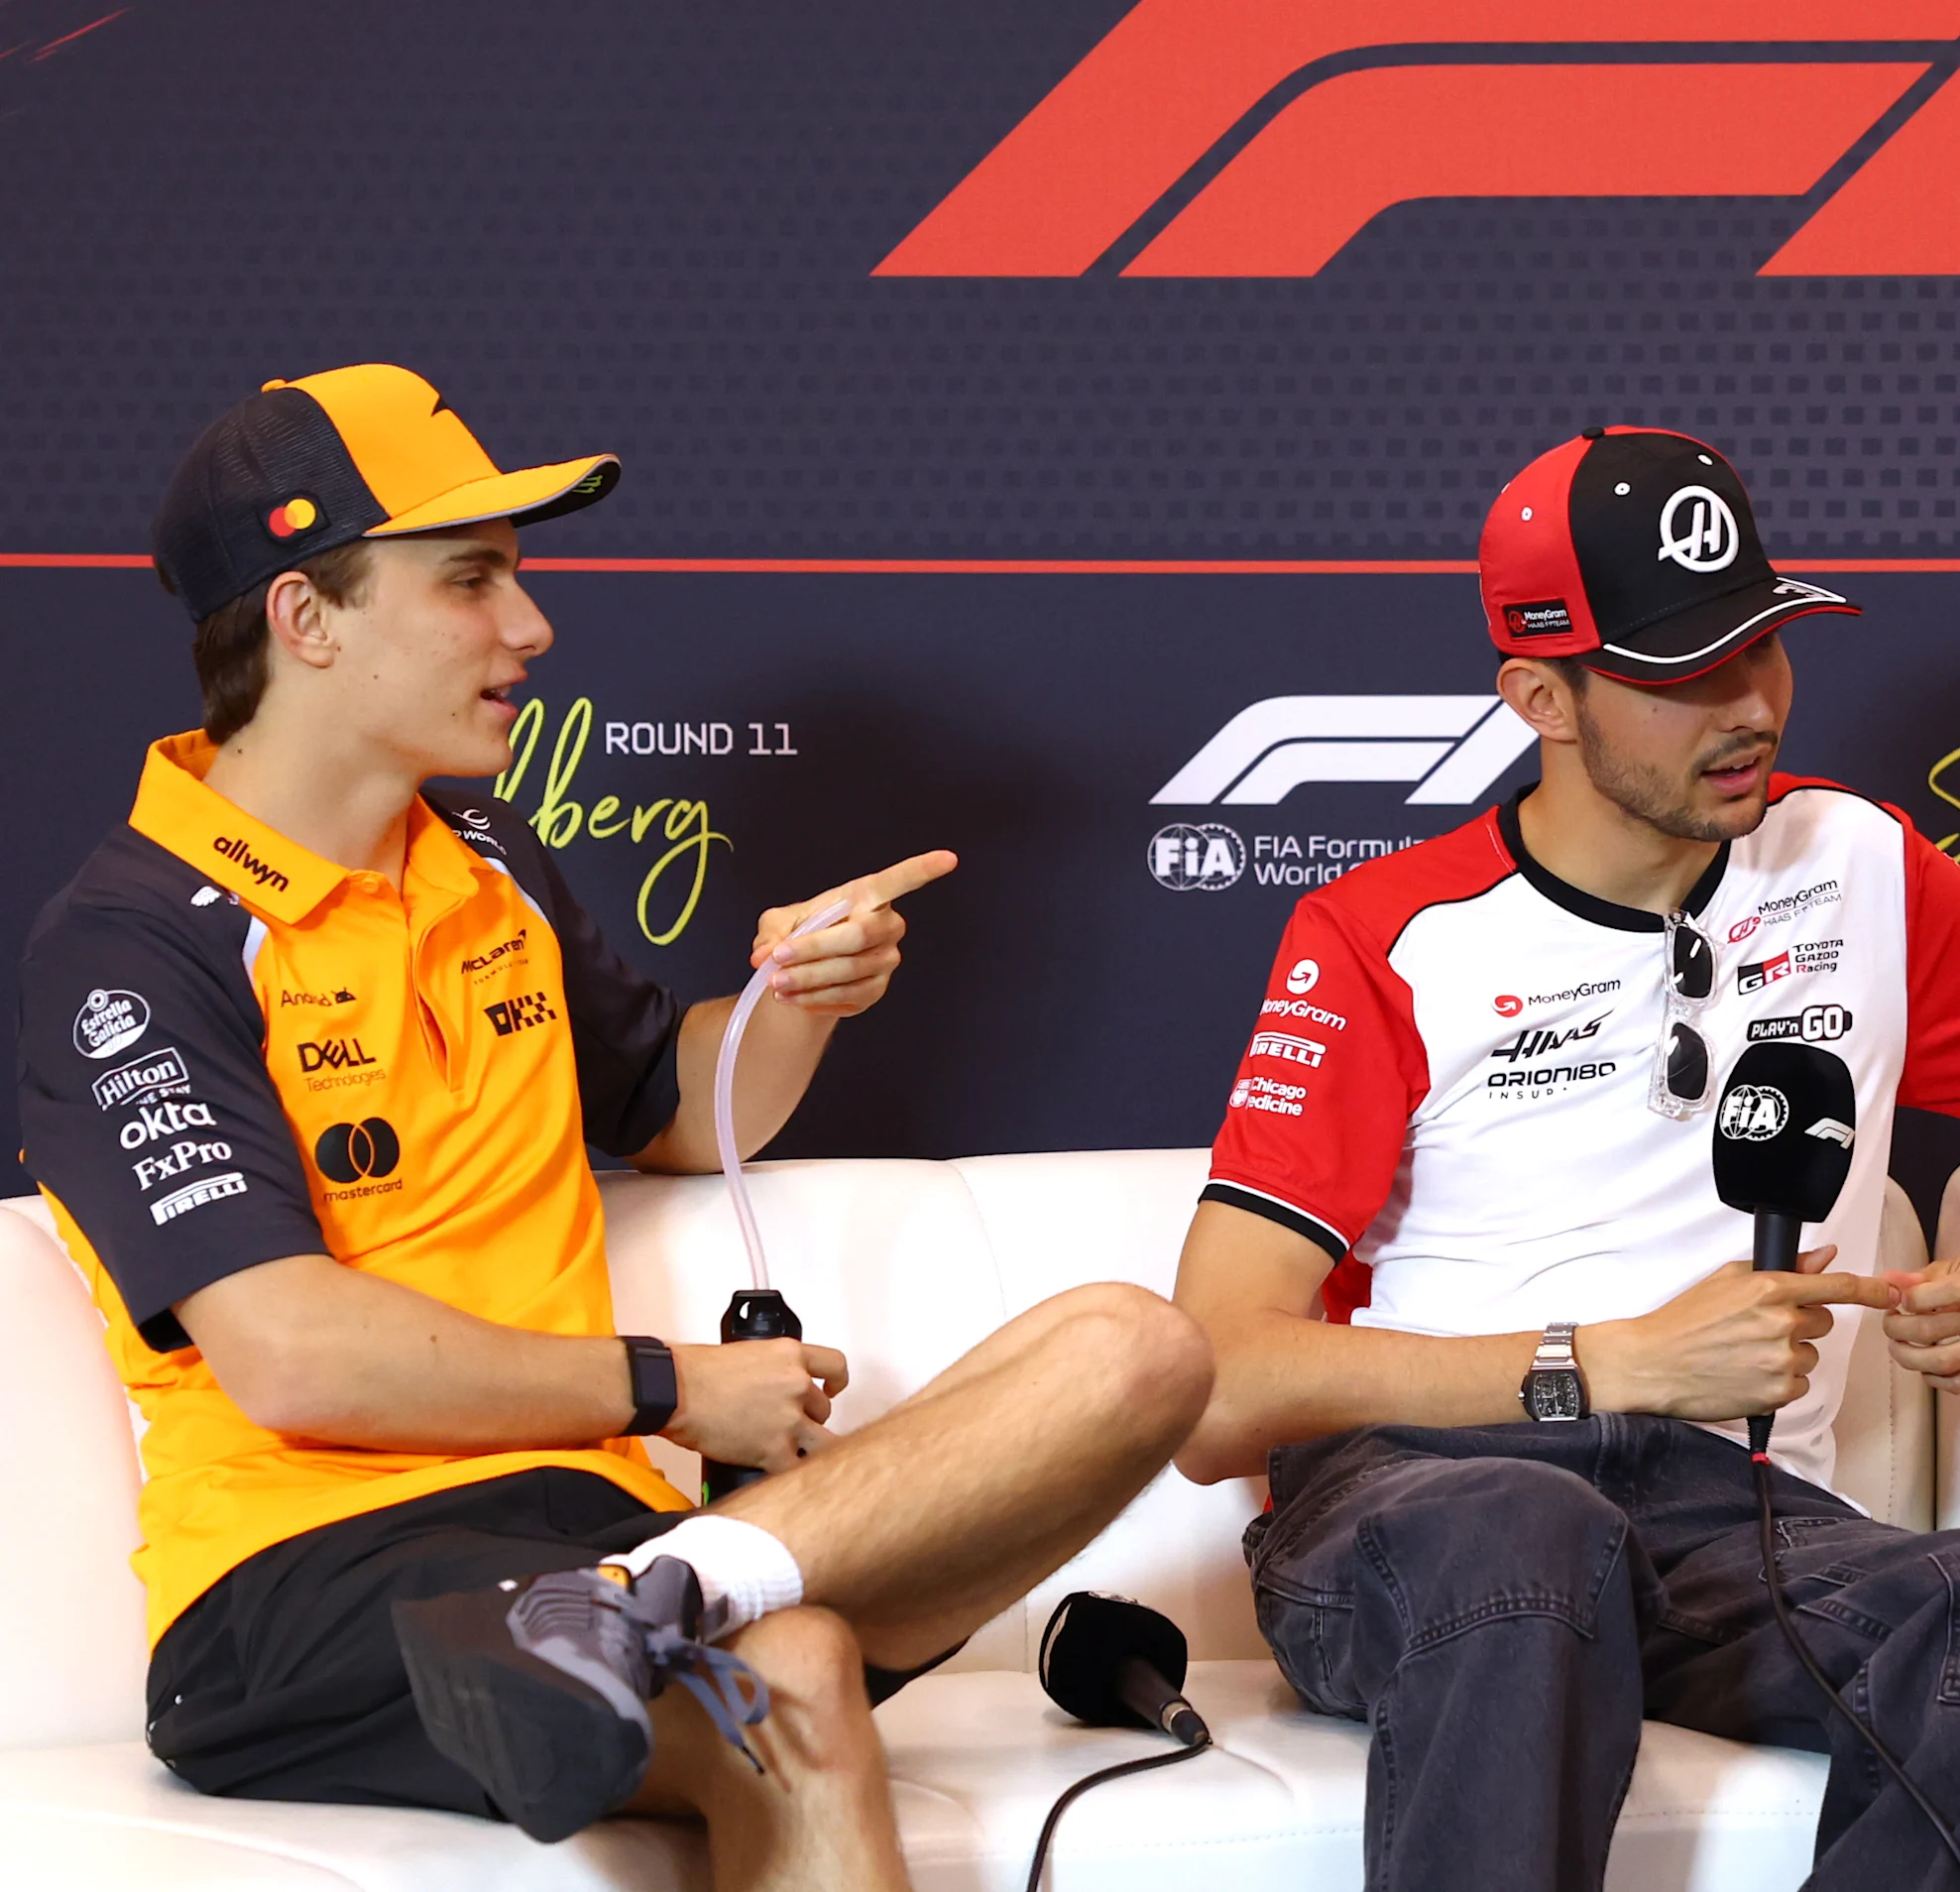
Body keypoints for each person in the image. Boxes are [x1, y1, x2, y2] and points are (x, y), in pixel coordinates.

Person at [15, 365, 1211, 1890]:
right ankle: (647, 1600)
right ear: (305, 620)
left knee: (1136, 1349)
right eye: (471, 580)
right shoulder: (129, 944)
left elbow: (678, 1114)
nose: (532, 627)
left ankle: (653, 1592)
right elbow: (290, 1352)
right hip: (303, 1580)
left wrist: (795, 998)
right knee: (793, 1678)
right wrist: (669, 1386)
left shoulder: (490, 856)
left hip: (587, 1536)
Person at [1171, 425, 1960, 1891]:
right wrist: (1604, 1363)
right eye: (1686, 674)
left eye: (1763, 646)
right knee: (1526, 1531)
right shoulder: (1387, 935)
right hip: (1422, 1504)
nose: (1751, 707)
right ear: (1540, 696)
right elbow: (1213, 1387)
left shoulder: (1858, 866)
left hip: (1726, 1526)